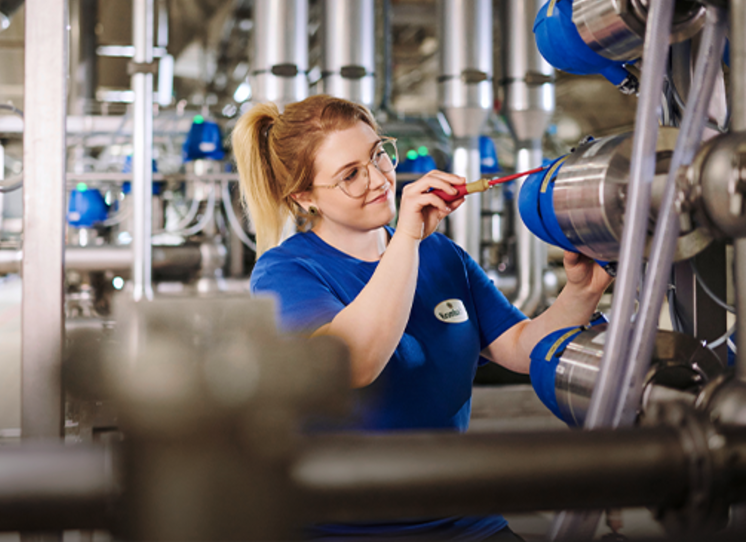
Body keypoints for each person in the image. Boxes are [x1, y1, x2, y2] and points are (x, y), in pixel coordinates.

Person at [231, 94, 613, 541]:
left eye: (377, 155)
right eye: (350, 175)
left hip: (463, 520)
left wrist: (581, 291)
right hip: (345, 530)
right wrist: (408, 238)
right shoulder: (286, 272)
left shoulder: (439, 253)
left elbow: (521, 347)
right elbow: (354, 362)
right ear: (304, 198)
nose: (378, 179)